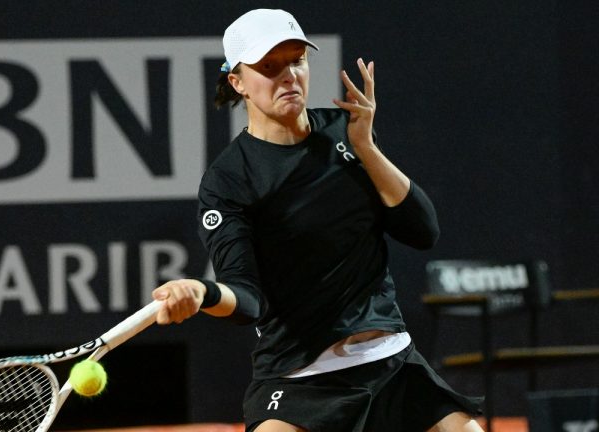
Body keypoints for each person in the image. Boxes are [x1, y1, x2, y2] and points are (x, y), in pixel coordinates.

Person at [151, 8, 484, 432]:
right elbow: (249, 301)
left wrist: (366, 147)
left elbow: (422, 231)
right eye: (269, 67)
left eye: (297, 60)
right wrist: (202, 291)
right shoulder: (228, 181)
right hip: (300, 379)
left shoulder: (348, 131)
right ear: (237, 82)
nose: (289, 75)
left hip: (392, 363)